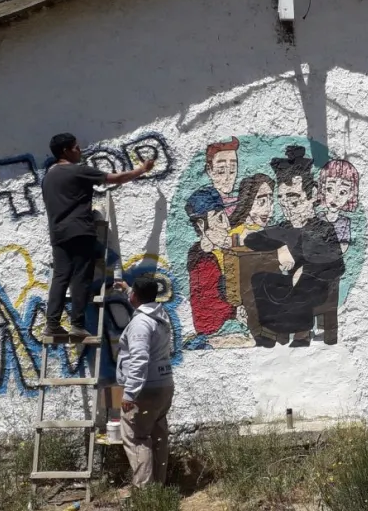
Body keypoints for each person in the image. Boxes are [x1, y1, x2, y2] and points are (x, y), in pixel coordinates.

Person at [41, 132, 154, 339]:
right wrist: (141, 170)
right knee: (81, 277)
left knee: (60, 277)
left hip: (58, 233)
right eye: (76, 147)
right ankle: (77, 324)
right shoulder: (77, 171)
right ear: (65, 151)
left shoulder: (48, 176)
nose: (80, 150)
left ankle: (52, 323)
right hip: (80, 231)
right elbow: (115, 178)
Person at [244, 146, 345, 347]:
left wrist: (306, 270)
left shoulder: (323, 229)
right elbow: (251, 239)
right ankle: (270, 332)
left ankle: (301, 336)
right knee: (260, 278)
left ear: (313, 195)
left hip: (317, 286)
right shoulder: (283, 228)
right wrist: (280, 248)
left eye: (294, 200)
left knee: (303, 283)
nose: (287, 208)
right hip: (289, 284)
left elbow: (337, 266)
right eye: (281, 200)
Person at [116, 277, 175, 493]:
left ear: (135, 297)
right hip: (164, 384)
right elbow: (142, 300)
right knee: (158, 435)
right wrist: (128, 289)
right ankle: (158, 488)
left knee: (137, 437)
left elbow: (139, 359)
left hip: (146, 389)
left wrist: (130, 394)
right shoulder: (160, 314)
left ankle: (144, 493)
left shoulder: (140, 323)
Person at [184, 187, 237, 337]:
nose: (227, 225)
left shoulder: (224, 252)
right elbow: (211, 306)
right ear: (201, 225)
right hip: (217, 333)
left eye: (225, 217)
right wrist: (237, 311)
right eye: (220, 218)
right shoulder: (202, 260)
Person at [317, 159, 360, 254]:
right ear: (323, 189)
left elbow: (343, 247)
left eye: (342, 192)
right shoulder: (318, 218)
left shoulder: (345, 222)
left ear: (350, 194)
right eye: (330, 189)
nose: (335, 197)